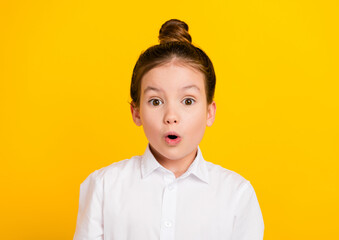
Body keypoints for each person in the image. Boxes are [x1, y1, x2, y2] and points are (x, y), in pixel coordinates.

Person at [73, 19, 264, 240]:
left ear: (209, 112)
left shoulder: (237, 195)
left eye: (188, 101)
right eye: (156, 101)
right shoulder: (104, 187)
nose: (171, 117)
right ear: (136, 112)